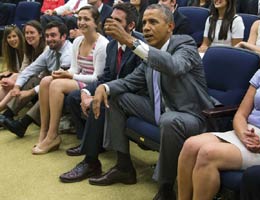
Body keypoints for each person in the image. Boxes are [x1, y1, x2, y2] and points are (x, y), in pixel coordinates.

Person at [87, 4, 213, 200]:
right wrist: (104, 88)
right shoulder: (149, 51)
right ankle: (124, 166)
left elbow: (174, 66)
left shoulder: (184, 44)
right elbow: (131, 81)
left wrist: (130, 41)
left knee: (169, 121)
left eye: (153, 22)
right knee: (116, 97)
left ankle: (165, 188)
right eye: (144, 22)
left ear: (170, 26)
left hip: (191, 116)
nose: (146, 27)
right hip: (160, 110)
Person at [177, 25, 260, 200]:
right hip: (248, 132)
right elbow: (241, 114)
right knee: (190, 145)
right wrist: (244, 135)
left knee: (208, 153)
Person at [58, 2, 143, 183]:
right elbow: (105, 77)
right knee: (76, 96)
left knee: (102, 103)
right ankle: (88, 145)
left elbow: (136, 83)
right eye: (110, 19)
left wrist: (100, 93)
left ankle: (91, 162)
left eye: (117, 21)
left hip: (135, 98)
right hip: (114, 92)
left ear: (131, 26)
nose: (111, 23)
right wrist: (86, 92)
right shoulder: (113, 45)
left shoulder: (140, 47)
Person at [32, 6, 109, 155]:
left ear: (96, 22)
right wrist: (64, 72)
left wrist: (69, 76)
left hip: (93, 84)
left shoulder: (102, 44)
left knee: (56, 84)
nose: (81, 22)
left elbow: (97, 77)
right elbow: (74, 68)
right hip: (79, 78)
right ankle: (44, 131)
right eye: (79, 18)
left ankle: (53, 135)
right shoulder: (78, 41)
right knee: (46, 80)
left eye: (86, 19)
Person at [0, 21, 72, 137]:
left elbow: (57, 80)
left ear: (63, 36)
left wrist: (30, 92)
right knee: (32, 79)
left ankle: (23, 124)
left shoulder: (67, 54)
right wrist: (17, 87)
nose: (49, 39)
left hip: (66, 87)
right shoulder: (50, 51)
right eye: (47, 36)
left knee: (49, 88)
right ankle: (7, 114)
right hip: (48, 83)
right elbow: (29, 70)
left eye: (53, 35)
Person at [0, 20, 46, 112]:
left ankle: (2, 107)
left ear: (40, 34)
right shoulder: (28, 49)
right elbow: (23, 70)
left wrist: (15, 83)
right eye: (27, 33)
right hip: (28, 80)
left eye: (32, 32)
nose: (12, 39)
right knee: (7, 79)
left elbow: (40, 75)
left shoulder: (46, 49)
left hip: (39, 84)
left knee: (13, 78)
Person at [0, 25, 24, 108]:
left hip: (25, 82)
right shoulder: (13, 52)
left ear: (20, 36)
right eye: (9, 37)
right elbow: (13, 70)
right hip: (17, 79)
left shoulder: (26, 51)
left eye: (14, 36)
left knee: (11, 79)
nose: (12, 39)